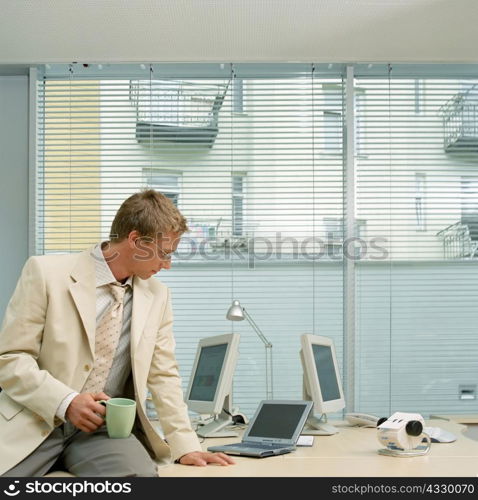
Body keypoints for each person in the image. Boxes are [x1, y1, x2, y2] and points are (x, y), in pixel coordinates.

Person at [0, 190, 234, 476]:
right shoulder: (46, 273)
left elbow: (163, 375)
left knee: (141, 479)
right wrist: (66, 402)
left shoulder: (157, 296)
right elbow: (11, 358)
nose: (167, 264)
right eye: (163, 253)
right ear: (136, 240)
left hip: (103, 430)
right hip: (36, 418)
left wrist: (185, 445)